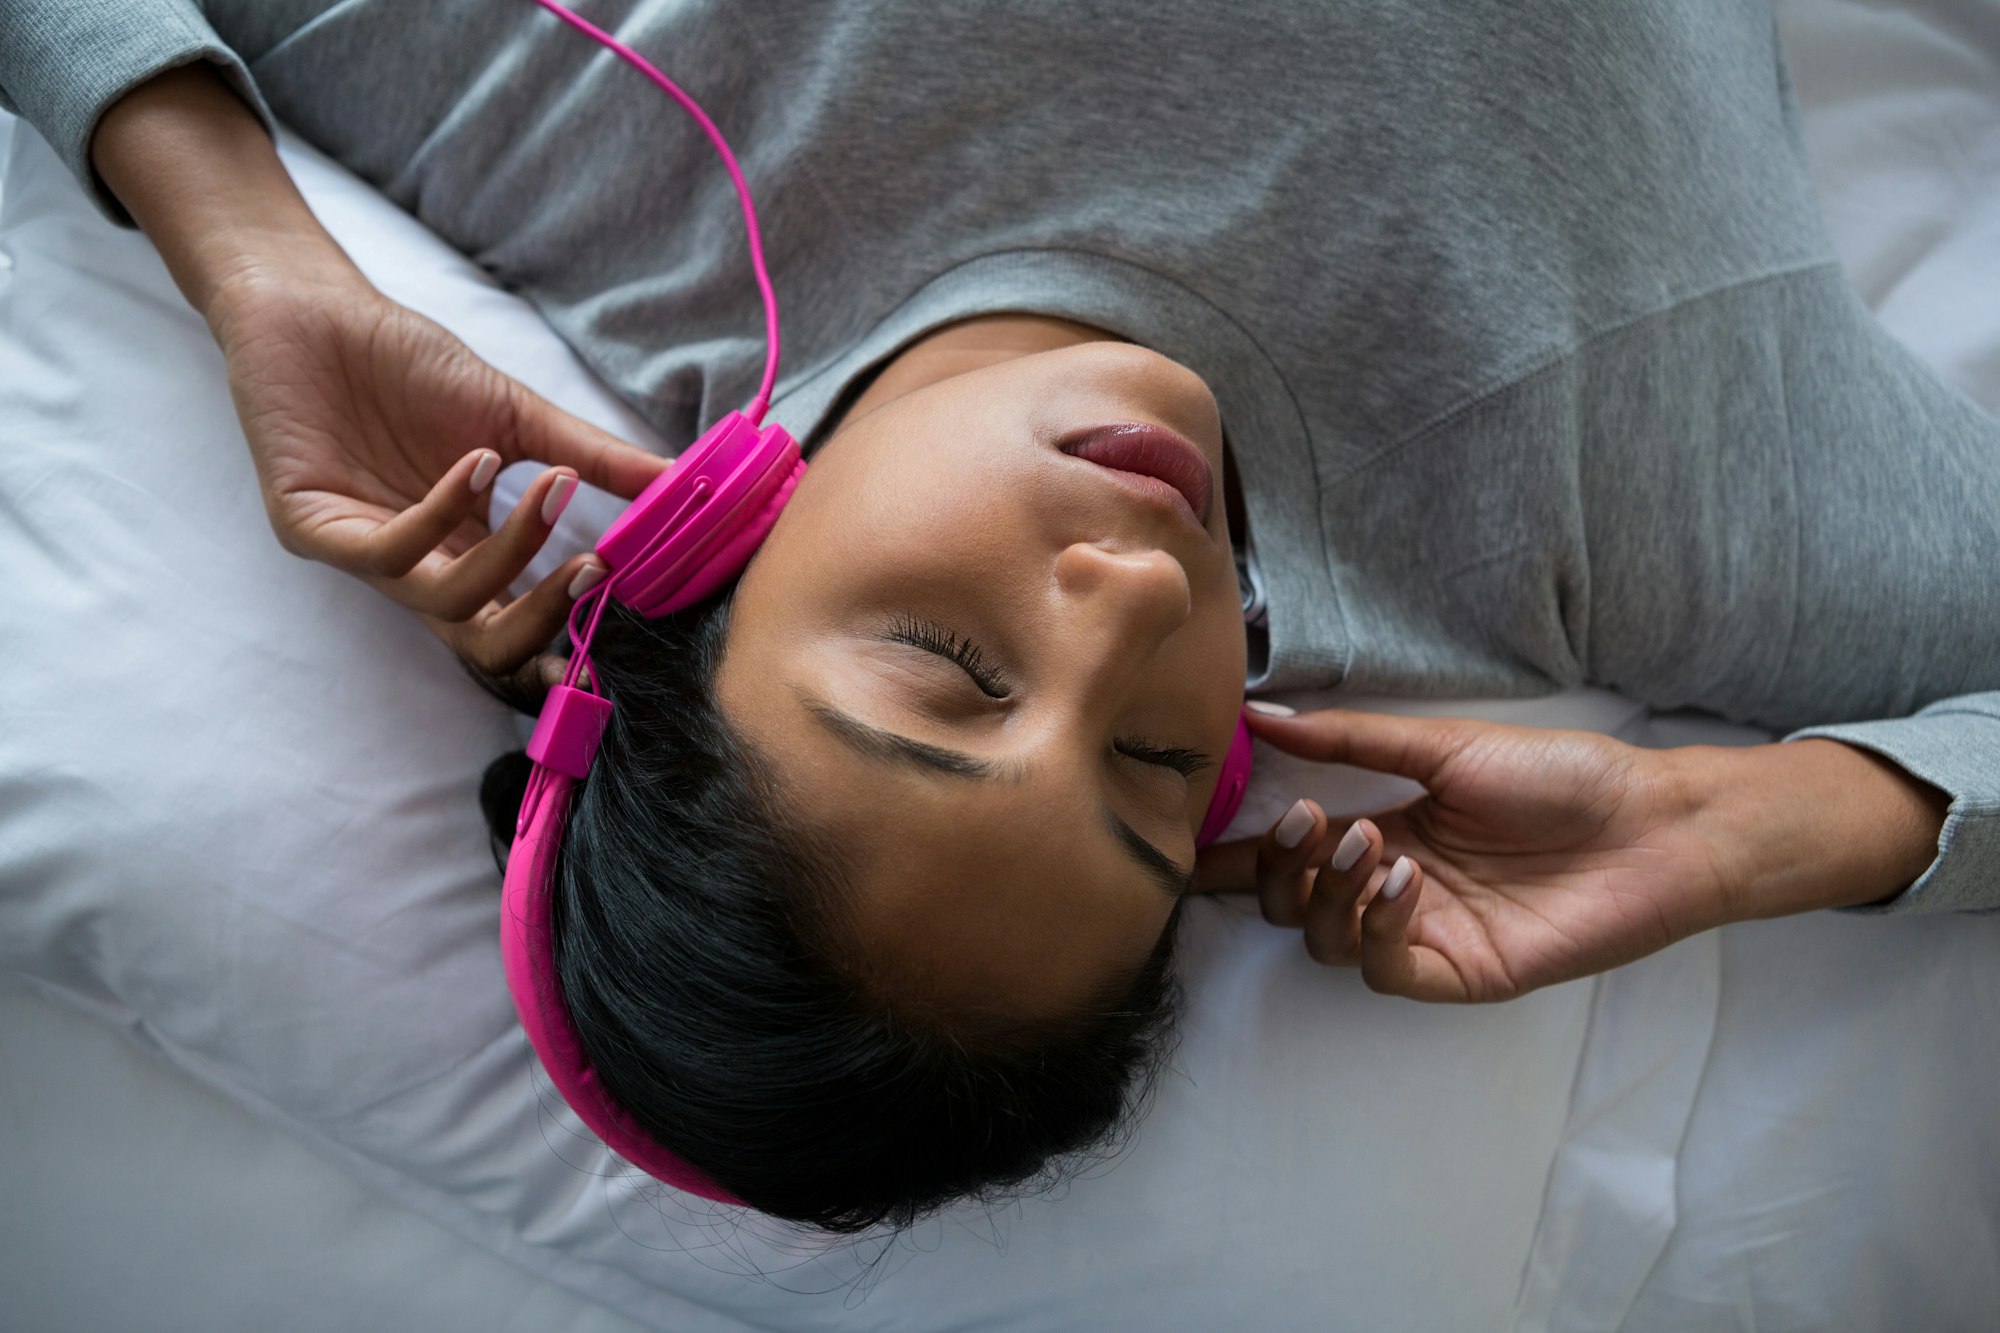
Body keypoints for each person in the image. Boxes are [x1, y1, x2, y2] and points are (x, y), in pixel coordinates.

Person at [6, 1, 1995, 1232]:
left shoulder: (568, 126)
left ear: (693, 573)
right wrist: (1755, 828)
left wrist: (242, 249)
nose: (1133, 595)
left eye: (950, 671)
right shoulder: (1614, 494)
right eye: (1155, 757)